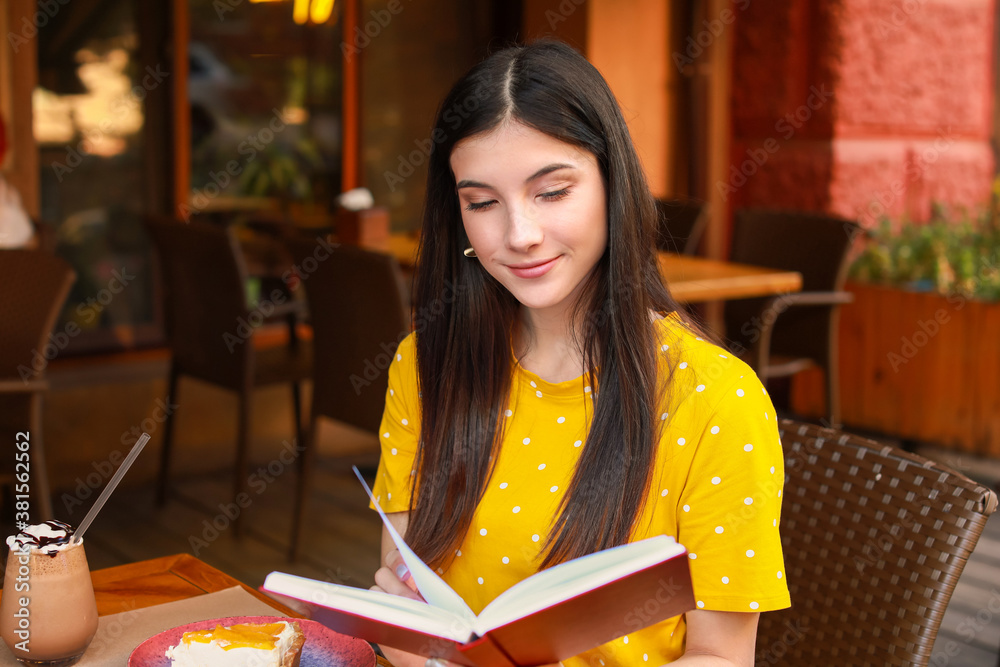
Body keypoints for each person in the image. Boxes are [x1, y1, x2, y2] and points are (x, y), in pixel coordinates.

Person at [370, 40, 790, 667]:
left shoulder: (714, 399)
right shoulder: (426, 364)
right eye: (482, 203)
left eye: (552, 191)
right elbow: (399, 583)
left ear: (611, 184)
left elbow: (723, 658)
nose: (519, 235)